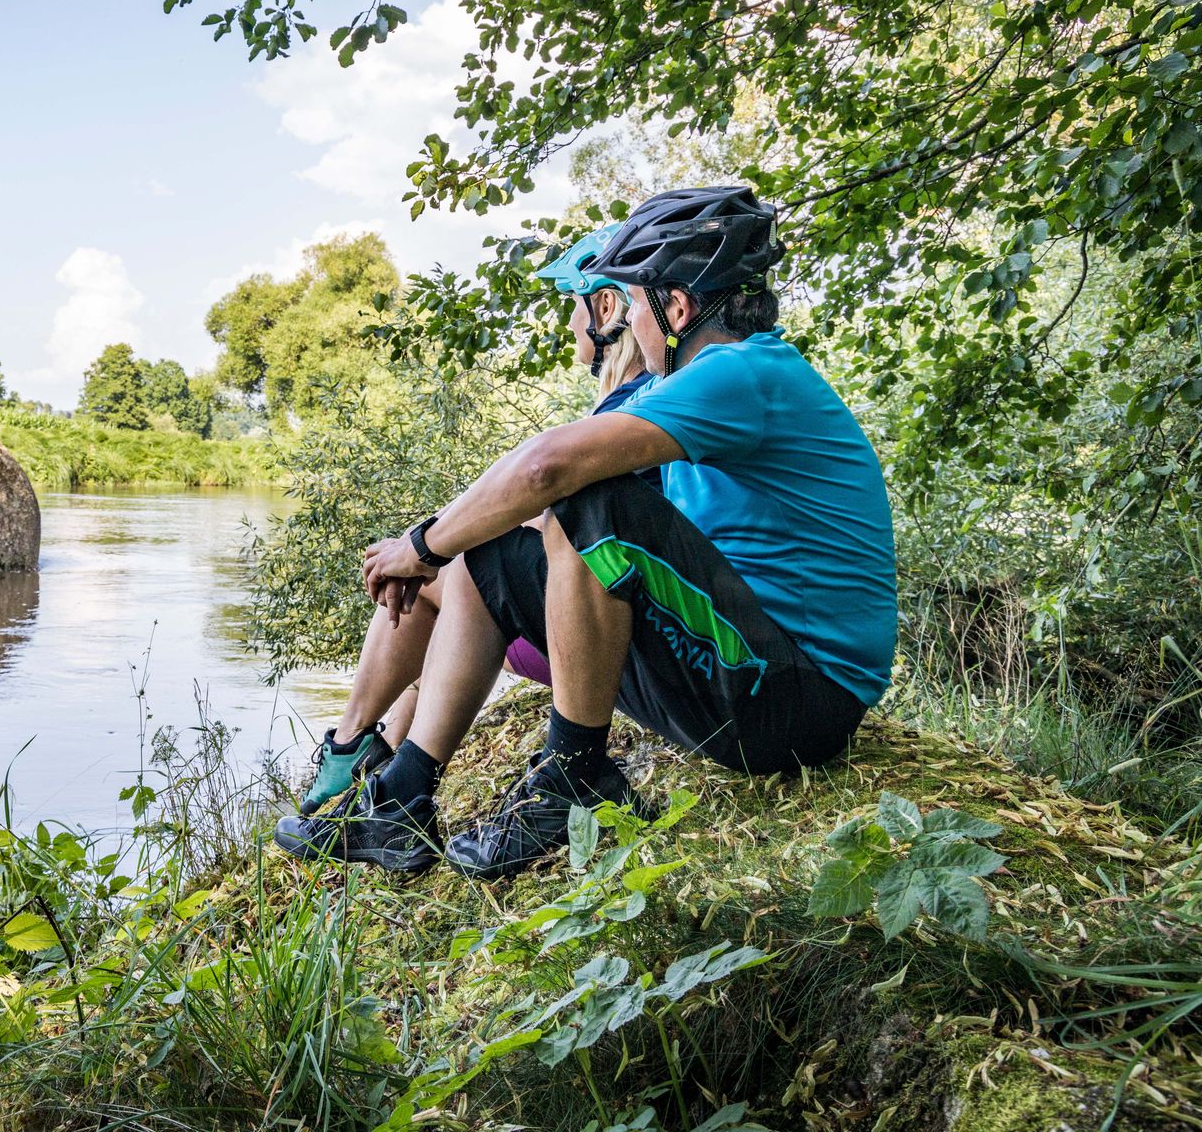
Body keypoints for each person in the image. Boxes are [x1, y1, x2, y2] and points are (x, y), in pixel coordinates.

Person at [276, 185, 898, 880]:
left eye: (635, 300)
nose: (631, 316)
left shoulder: (744, 372)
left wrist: (419, 547)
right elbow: (533, 496)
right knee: (495, 548)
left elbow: (550, 467)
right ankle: (401, 799)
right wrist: (443, 544)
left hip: (801, 701)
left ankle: (573, 778)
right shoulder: (696, 387)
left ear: (679, 306)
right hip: (744, 676)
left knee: (591, 496)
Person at [293, 222, 655, 816]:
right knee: (437, 578)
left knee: (454, 573)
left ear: (607, 307)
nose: (568, 324)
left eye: (572, 306)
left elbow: (571, 530)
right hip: (606, 621)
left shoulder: (638, 410)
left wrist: (426, 549)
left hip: (603, 636)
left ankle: (357, 746)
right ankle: (373, 750)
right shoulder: (632, 404)